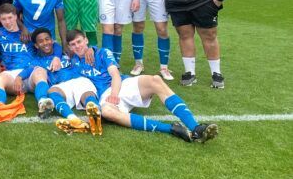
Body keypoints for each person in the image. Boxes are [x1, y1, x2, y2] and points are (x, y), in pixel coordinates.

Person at [68, 29, 218, 143]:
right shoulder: (72, 63)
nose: (77, 46)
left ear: (86, 40)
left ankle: (196, 128)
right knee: (108, 113)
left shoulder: (102, 53)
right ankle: (172, 129)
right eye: (73, 45)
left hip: (121, 85)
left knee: (155, 80)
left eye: (79, 42)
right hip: (104, 96)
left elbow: (115, 75)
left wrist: (114, 94)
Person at [0, 6, 59, 120]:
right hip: (12, 76)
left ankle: (43, 103)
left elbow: (54, 44)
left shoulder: (29, 33)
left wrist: (57, 57)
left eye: (10, 17)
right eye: (4, 19)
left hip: (30, 73)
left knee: (40, 71)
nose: (7, 22)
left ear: (16, 17)